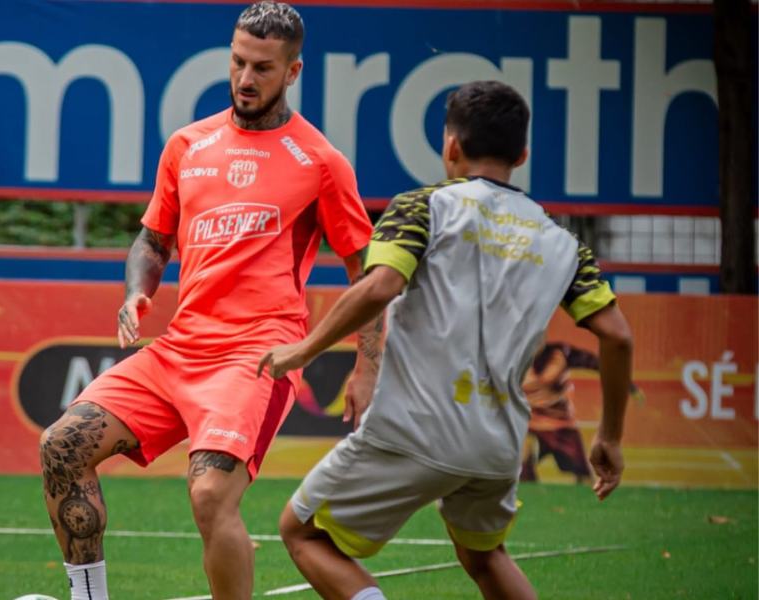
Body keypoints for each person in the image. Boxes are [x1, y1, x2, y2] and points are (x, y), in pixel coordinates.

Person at [38, 3, 379, 600]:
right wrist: (137, 292)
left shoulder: (321, 162)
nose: (246, 78)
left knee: (210, 494)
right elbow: (153, 239)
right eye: (238, 62)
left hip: (256, 357)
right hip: (176, 351)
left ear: (293, 71)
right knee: (61, 446)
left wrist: (368, 364)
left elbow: (367, 270)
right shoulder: (188, 144)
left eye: (263, 68)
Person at [258, 80, 634, 600]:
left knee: (302, 533)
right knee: (485, 556)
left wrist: (302, 350)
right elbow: (618, 336)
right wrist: (610, 436)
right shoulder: (561, 242)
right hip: (498, 443)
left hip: (415, 429)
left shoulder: (423, 206)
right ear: (522, 155)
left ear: (450, 145)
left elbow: (380, 287)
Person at [521, 335, 645, 484]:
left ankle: (586, 493)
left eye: (539, 335)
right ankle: (529, 493)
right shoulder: (512, 359)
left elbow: (599, 364)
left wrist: (629, 386)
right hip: (530, 426)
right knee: (522, 454)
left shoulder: (561, 353)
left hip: (562, 428)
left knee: (584, 480)